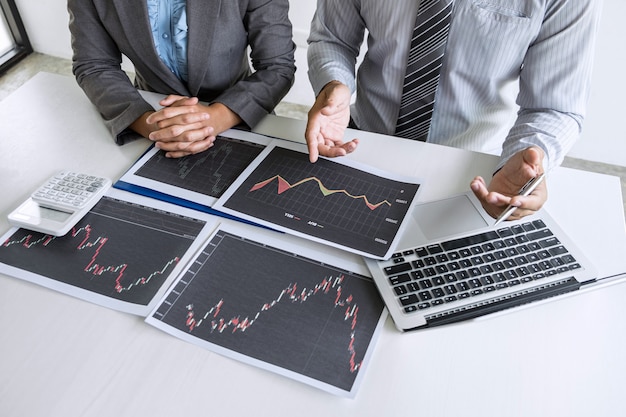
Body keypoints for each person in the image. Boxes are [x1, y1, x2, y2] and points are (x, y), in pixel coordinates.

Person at [305, 0, 602, 220]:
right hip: (361, 144)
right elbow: (333, 38)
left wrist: (525, 163)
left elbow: (553, 106)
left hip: (475, 172)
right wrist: (334, 84)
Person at [68, 0, 296, 158]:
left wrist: (214, 118)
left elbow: (276, 67)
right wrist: (150, 124)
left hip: (240, 115)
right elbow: (94, 65)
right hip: (150, 121)